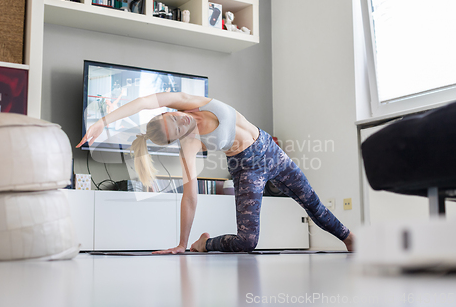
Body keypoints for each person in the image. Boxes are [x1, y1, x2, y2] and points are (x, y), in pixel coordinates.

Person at [77, 92, 355, 254]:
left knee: (312, 203)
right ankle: (204, 244)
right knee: (248, 241)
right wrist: (182, 244)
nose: (181, 121)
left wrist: (104, 121)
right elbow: (190, 197)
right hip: (247, 169)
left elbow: (148, 101)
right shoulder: (190, 144)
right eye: (177, 128)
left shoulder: (190, 102)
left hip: (271, 150)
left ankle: (349, 238)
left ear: (170, 112)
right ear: (176, 139)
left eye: (173, 117)